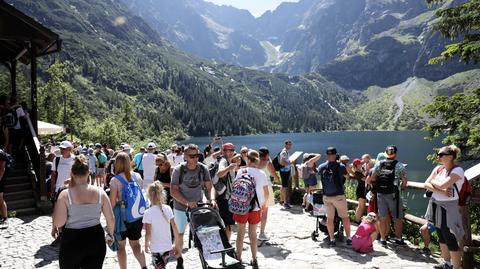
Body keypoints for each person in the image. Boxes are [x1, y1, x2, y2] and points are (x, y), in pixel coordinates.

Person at [53, 155, 115, 268]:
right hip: (95, 238)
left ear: (72, 173)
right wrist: (110, 235)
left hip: (72, 239)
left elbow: (59, 223)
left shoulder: (65, 195)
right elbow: (110, 218)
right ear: (88, 173)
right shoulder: (101, 192)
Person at [170, 144, 214, 269]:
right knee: (179, 234)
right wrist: (186, 202)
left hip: (198, 207)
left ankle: (206, 259)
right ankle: (179, 259)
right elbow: (173, 191)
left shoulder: (202, 168)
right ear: (185, 156)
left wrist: (212, 199)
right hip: (180, 208)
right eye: (192, 156)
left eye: (197, 156)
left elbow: (209, 186)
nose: (195, 159)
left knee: (203, 234)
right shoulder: (178, 170)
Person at [424, 145, 465, 269]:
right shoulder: (439, 169)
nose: (439, 157)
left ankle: (456, 267)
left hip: (449, 208)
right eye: (438, 154)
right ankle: (447, 264)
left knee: (450, 237)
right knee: (441, 236)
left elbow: (442, 184)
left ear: (451, 157)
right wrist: (441, 190)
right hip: (436, 204)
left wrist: (434, 182)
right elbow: (426, 183)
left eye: (441, 155)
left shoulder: (457, 171)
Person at [109, 152, 147, 269]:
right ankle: (144, 266)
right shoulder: (137, 176)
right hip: (136, 216)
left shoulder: (115, 180)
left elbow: (112, 202)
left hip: (122, 218)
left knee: (121, 246)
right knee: (136, 244)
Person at [233, 150, 269, 269]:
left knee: (240, 234)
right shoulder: (261, 173)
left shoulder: (240, 171)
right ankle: (254, 259)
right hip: (255, 208)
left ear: (247, 159)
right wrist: (263, 205)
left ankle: (238, 258)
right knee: (253, 235)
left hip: (241, 207)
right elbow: (266, 193)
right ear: (257, 159)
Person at [368, 145, 407, 246]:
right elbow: (404, 181)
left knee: (382, 217)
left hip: (381, 194)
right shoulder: (399, 165)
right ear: (395, 154)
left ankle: (383, 239)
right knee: (397, 218)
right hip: (394, 195)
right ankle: (398, 239)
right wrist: (401, 187)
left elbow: (372, 178)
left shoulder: (379, 164)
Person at [318, 146, 352, 247]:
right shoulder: (341, 166)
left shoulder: (322, 167)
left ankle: (332, 239)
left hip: (327, 197)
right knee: (345, 217)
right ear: (336, 155)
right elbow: (348, 176)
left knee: (330, 218)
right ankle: (349, 238)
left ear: (327, 155)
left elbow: (319, 174)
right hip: (339, 196)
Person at [143, 181, 181, 269]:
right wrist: (176, 243)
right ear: (162, 194)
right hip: (167, 247)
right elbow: (174, 227)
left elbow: (148, 233)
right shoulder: (167, 208)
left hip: (155, 248)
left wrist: (146, 244)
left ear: (149, 196)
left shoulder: (148, 213)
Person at [215, 143, 238, 240]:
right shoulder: (224, 161)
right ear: (223, 151)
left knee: (226, 223)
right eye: (227, 150)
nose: (229, 152)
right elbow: (219, 173)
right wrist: (229, 168)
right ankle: (227, 244)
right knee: (227, 223)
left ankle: (225, 243)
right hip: (225, 198)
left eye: (231, 150)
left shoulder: (226, 161)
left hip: (224, 196)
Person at [257, 147, 279, 241]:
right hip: (267, 188)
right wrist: (277, 179)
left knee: (256, 209)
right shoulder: (268, 163)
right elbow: (275, 175)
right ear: (267, 155)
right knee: (265, 211)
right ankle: (261, 233)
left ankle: (254, 229)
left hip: (256, 188)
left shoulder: (255, 163)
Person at [351, 158, 367, 224]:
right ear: (357, 165)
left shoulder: (359, 171)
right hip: (361, 189)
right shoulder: (357, 173)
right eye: (360, 163)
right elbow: (365, 179)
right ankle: (357, 220)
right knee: (361, 206)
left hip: (361, 189)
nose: (361, 164)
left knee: (361, 205)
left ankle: (357, 219)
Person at [279, 140, 293, 209]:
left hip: (285, 171)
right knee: (285, 187)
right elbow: (282, 162)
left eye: (290, 144)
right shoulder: (284, 152)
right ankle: (285, 203)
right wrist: (289, 163)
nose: (290, 146)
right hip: (284, 171)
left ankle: (282, 200)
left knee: (283, 186)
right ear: (285, 145)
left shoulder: (286, 151)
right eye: (289, 144)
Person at [0, 148, 10, 227]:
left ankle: (5, 218)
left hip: (0, 179)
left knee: (0, 199)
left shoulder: (1, 153)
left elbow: (2, 169)